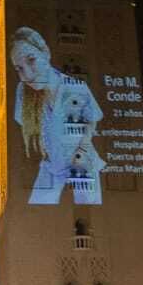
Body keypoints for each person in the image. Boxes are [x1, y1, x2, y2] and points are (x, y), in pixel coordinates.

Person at [9, 26, 106, 205]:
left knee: (88, 208)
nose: (27, 74)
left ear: (45, 53)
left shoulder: (75, 86)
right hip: (51, 164)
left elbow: (92, 120)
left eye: (31, 60)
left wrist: (82, 151)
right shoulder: (23, 91)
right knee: (35, 211)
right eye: (19, 68)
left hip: (81, 162)